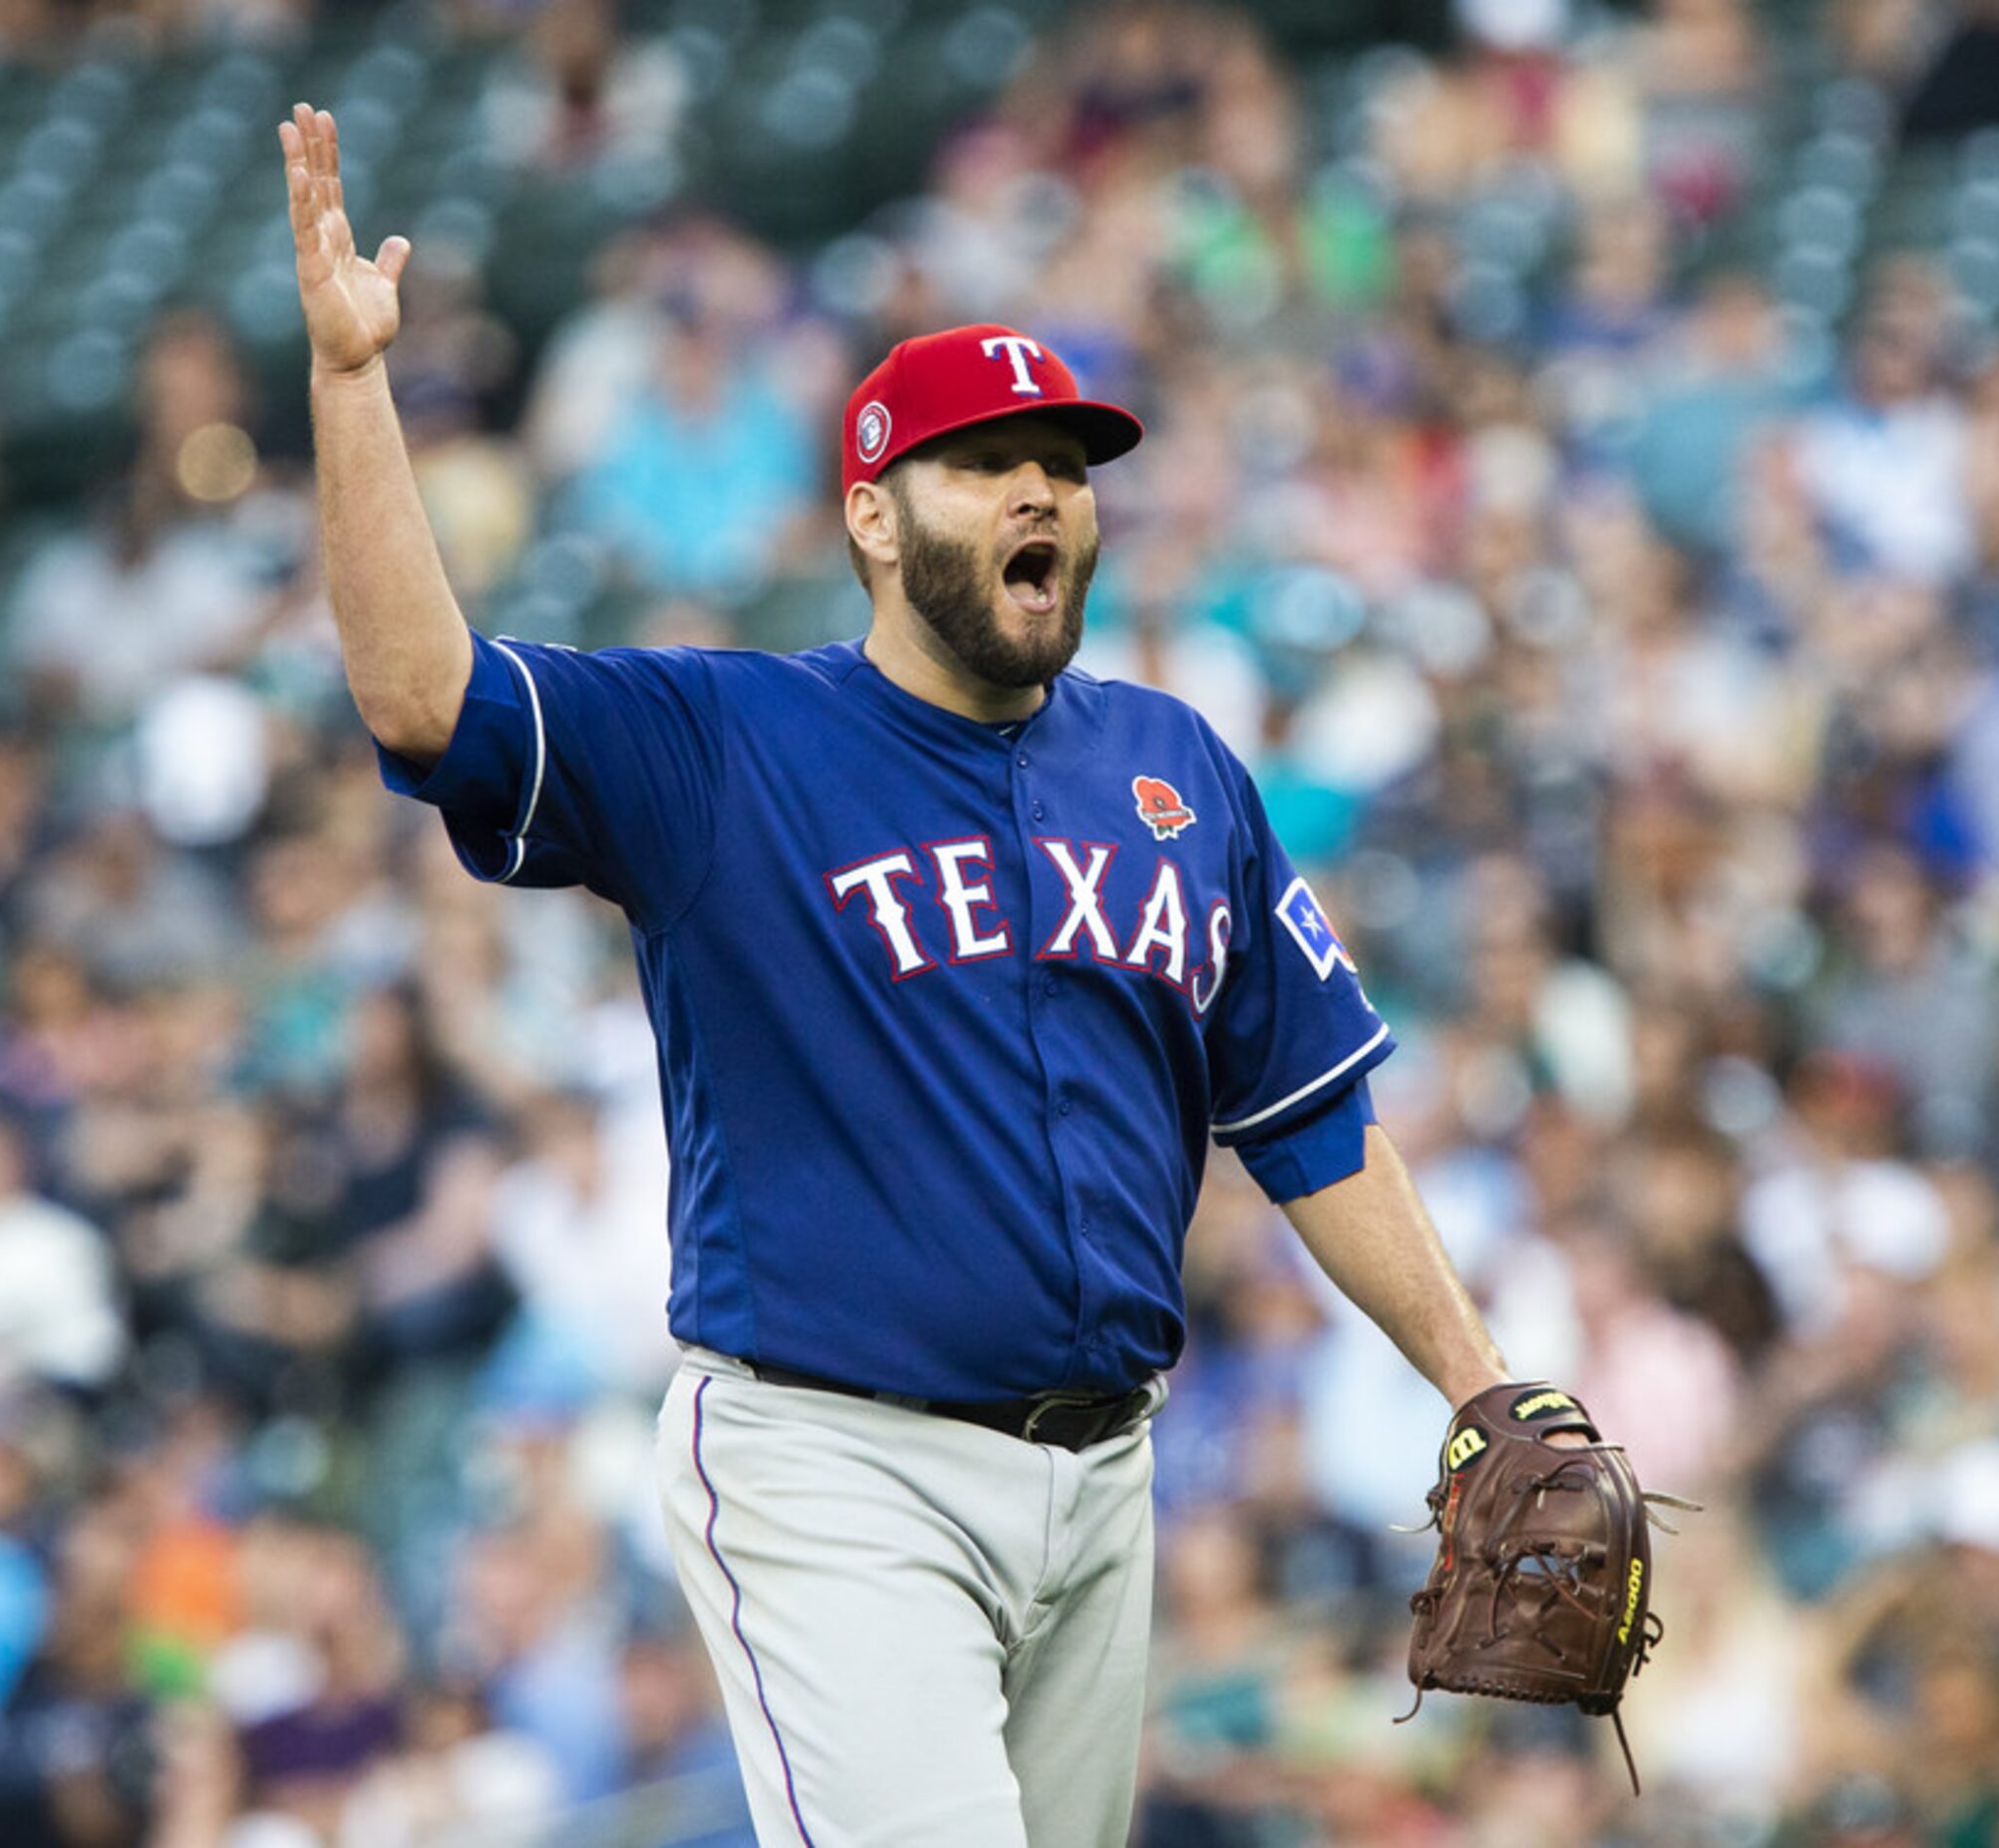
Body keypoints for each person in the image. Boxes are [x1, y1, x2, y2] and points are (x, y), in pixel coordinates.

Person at [281, 101, 1579, 1846]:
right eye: (986, 459)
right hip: (837, 1463)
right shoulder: (725, 740)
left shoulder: (1178, 767)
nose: (1042, 485)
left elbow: (1312, 1123)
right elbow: (423, 699)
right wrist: (356, 388)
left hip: (1107, 1476)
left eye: (1067, 458)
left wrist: (1478, 1382)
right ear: (877, 519)